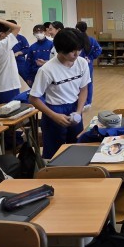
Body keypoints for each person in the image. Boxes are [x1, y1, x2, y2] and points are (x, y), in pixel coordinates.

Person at [29, 28, 90, 159]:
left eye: (79, 49)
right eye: (72, 51)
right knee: (53, 154)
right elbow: (33, 98)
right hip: (54, 110)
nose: (76, 54)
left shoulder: (82, 63)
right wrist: (54, 116)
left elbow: (84, 89)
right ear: (60, 50)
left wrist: (79, 111)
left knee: (77, 149)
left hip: (74, 108)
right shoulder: (47, 70)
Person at [75, 21, 102, 109]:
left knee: (78, 83)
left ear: (77, 29)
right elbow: (99, 49)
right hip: (88, 64)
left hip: (77, 64)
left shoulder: (76, 40)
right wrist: (92, 57)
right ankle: (88, 102)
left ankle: (80, 102)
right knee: (89, 83)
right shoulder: (92, 39)